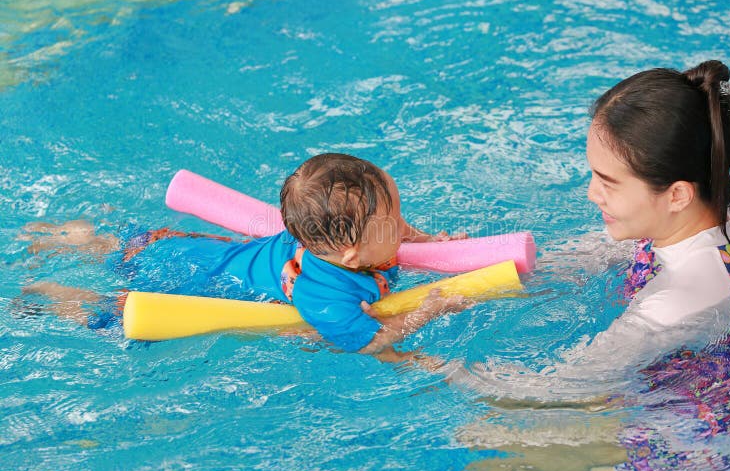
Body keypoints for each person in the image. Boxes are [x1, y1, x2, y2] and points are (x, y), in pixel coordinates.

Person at [456, 60, 730, 471]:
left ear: (677, 194)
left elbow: (560, 386)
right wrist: (449, 269)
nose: (592, 194)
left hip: (688, 455)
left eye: (608, 182)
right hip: (717, 404)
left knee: (480, 447)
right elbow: (568, 263)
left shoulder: (679, 301)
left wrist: (418, 362)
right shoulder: (727, 224)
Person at [21, 153, 470, 357]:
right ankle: (59, 294)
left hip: (220, 253)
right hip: (190, 274)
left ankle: (82, 239)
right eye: (395, 220)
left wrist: (429, 241)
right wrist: (427, 311)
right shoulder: (324, 295)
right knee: (112, 309)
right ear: (352, 256)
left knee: (138, 246)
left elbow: (395, 230)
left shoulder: (358, 243)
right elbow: (369, 341)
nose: (403, 226)